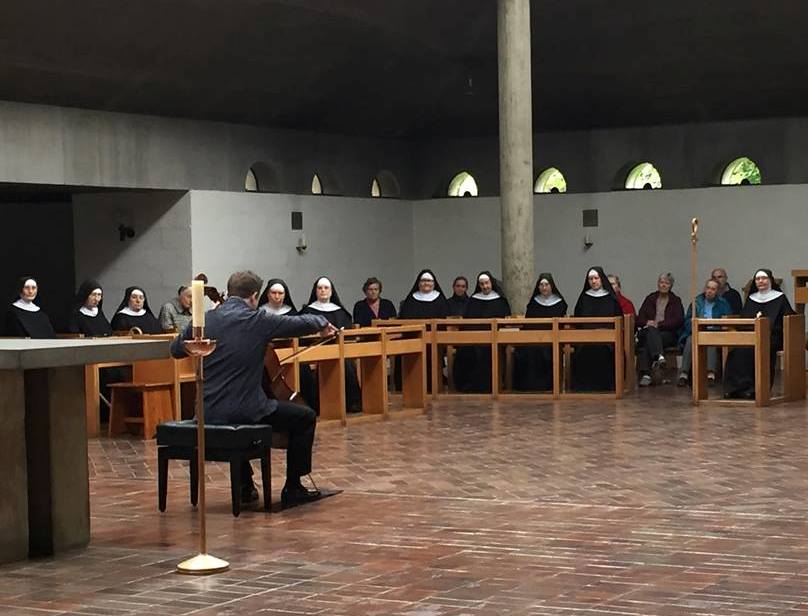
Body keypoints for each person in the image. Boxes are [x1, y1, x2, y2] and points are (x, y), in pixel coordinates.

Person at [170, 270, 337, 505]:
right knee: (305, 417)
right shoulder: (257, 320)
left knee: (236, 422)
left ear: (229, 293)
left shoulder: (205, 320)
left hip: (207, 412)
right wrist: (322, 323)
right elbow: (297, 323)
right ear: (254, 296)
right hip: (245, 410)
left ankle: (245, 484)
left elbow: (175, 349)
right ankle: (293, 487)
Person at [723, 269, 794, 399]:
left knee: (757, 349)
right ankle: (736, 389)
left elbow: (789, 317)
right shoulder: (751, 298)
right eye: (757, 279)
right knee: (737, 352)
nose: (761, 281)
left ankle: (755, 389)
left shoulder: (779, 298)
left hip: (772, 337)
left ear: (770, 280)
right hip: (750, 335)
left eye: (764, 278)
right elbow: (744, 319)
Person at [301, 276, 362, 412]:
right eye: (320, 288)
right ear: (315, 291)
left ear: (331, 291)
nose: (323, 291)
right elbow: (302, 334)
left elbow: (347, 331)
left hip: (339, 350)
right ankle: (316, 405)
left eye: (326, 288)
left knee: (346, 364)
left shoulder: (340, 311)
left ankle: (352, 402)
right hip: (314, 352)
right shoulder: (308, 311)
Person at [257, 278, 318, 411]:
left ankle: (309, 406)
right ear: (267, 294)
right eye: (273, 293)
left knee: (304, 370)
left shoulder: (291, 312)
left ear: (285, 295)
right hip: (268, 356)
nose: (277, 296)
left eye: (280, 293)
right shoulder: (260, 313)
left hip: (292, 353)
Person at [453, 272, 511, 393]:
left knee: (487, 351)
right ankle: (469, 386)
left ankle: (491, 385)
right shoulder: (473, 300)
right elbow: (467, 321)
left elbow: (505, 321)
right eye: (482, 284)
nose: (485, 286)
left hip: (494, 339)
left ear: (491, 283)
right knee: (465, 350)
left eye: (487, 283)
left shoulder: (500, 301)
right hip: (473, 338)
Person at [513, 273, 567, 391]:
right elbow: (528, 323)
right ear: (538, 287)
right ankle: (526, 386)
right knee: (525, 350)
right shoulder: (534, 302)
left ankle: (547, 385)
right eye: (541, 285)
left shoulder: (559, 303)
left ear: (551, 286)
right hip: (532, 338)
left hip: (551, 339)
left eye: (546, 285)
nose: (544, 287)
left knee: (545, 351)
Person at [571, 267, 623, 392]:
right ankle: (583, 387)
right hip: (585, 339)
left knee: (604, 351)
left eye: (596, 278)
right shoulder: (584, 298)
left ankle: (606, 386)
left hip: (607, 339)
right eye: (590, 279)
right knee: (581, 351)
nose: (593, 281)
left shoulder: (611, 298)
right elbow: (577, 318)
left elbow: (618, 317)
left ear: (601, 279)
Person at [677, 278, 731, 386]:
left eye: (713, 289)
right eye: (708, 288)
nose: (710, 291)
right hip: (697, 331)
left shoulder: (723, 303)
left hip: (715, 331)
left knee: (710, 340)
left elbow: (728, 319)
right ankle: (684, 374)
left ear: (717, 291)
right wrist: (695, 326)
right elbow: (687, 320)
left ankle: (710, 374)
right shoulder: (697, 302)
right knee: (690, 340)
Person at [636, 273, 684, 386]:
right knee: (650, 333)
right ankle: (658, 356)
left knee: (646, 343)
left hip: (667, 333)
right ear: (658, 284)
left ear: (671, 285)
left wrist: (660, 324)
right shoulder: (650, 298)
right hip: (648, 330)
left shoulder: (675, 300)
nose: (663, 285)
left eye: (666, 283)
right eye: (661, 282)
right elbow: (640, 318)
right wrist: (647, 322)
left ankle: (646, 375)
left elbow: (678, 320)